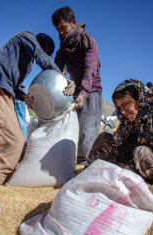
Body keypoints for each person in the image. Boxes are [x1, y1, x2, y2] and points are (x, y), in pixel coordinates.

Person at [0, 31, 75, 188]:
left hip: (5, 95)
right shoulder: (25, 37)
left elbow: (15, 86)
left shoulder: (26, 63)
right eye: (47, 54)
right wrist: (60, 78)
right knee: (14, 146)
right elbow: (40, 56)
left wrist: (24, 96)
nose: (45, 57)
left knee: (12, 146)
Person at [52, 6, 103, 162]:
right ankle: (78, 168)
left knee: (88, 132)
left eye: (63, 27)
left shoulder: (88, 42)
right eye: (57, 29)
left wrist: (83, 93)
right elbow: (55, 72)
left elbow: (90, 70)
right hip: (74, 93)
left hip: (91, 91)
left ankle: (90, 168)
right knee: (75, 133)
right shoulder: (63, 49)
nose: (60, 32)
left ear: (73, 23)